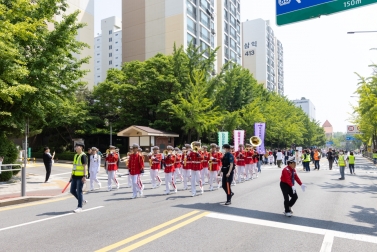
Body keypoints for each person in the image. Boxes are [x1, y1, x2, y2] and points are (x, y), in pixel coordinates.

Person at [70, 143, 87, 213]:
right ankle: (82, 201)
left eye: (77, 147)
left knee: (79, 191)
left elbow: (85, 166)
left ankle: (80, 207)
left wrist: (84, 176)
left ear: (81, 148)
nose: (76, 148)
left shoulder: (83, 156)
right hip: (74, 176)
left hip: (80, 177)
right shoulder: (76, 155)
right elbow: (74, 166)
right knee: (72, 190)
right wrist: (71, 175)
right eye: (75, 147)